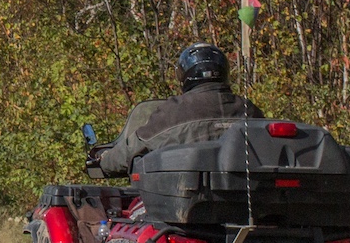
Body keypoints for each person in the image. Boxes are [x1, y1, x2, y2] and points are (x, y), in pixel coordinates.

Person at [98, 43, 263, 176]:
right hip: (250, 208)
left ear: (185, 76)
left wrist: (105, 160)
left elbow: (132, 148)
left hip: (183, 208)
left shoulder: (174, 112)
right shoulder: (249, 110)